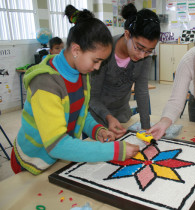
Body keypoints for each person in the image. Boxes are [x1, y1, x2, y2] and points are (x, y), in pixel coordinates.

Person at [10, 5, 139, 175]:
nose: (98, 67)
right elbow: (57, 144)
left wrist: (97, 130)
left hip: (57, 158)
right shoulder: (46, 84)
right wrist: (115, 151)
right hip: (32, 162)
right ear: (76, 50)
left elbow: (80, 113)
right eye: (96, 60)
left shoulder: (81, 73)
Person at [89, 3, 160, 138]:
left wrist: (146, 129)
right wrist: (108, 117)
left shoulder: (145, 57)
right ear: (127, 35)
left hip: (122, 117)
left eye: (148, 51)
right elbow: (92, 97)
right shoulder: (105, 52)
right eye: (139, 47)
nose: (141, 55)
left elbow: (141, 91)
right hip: (96, 120)